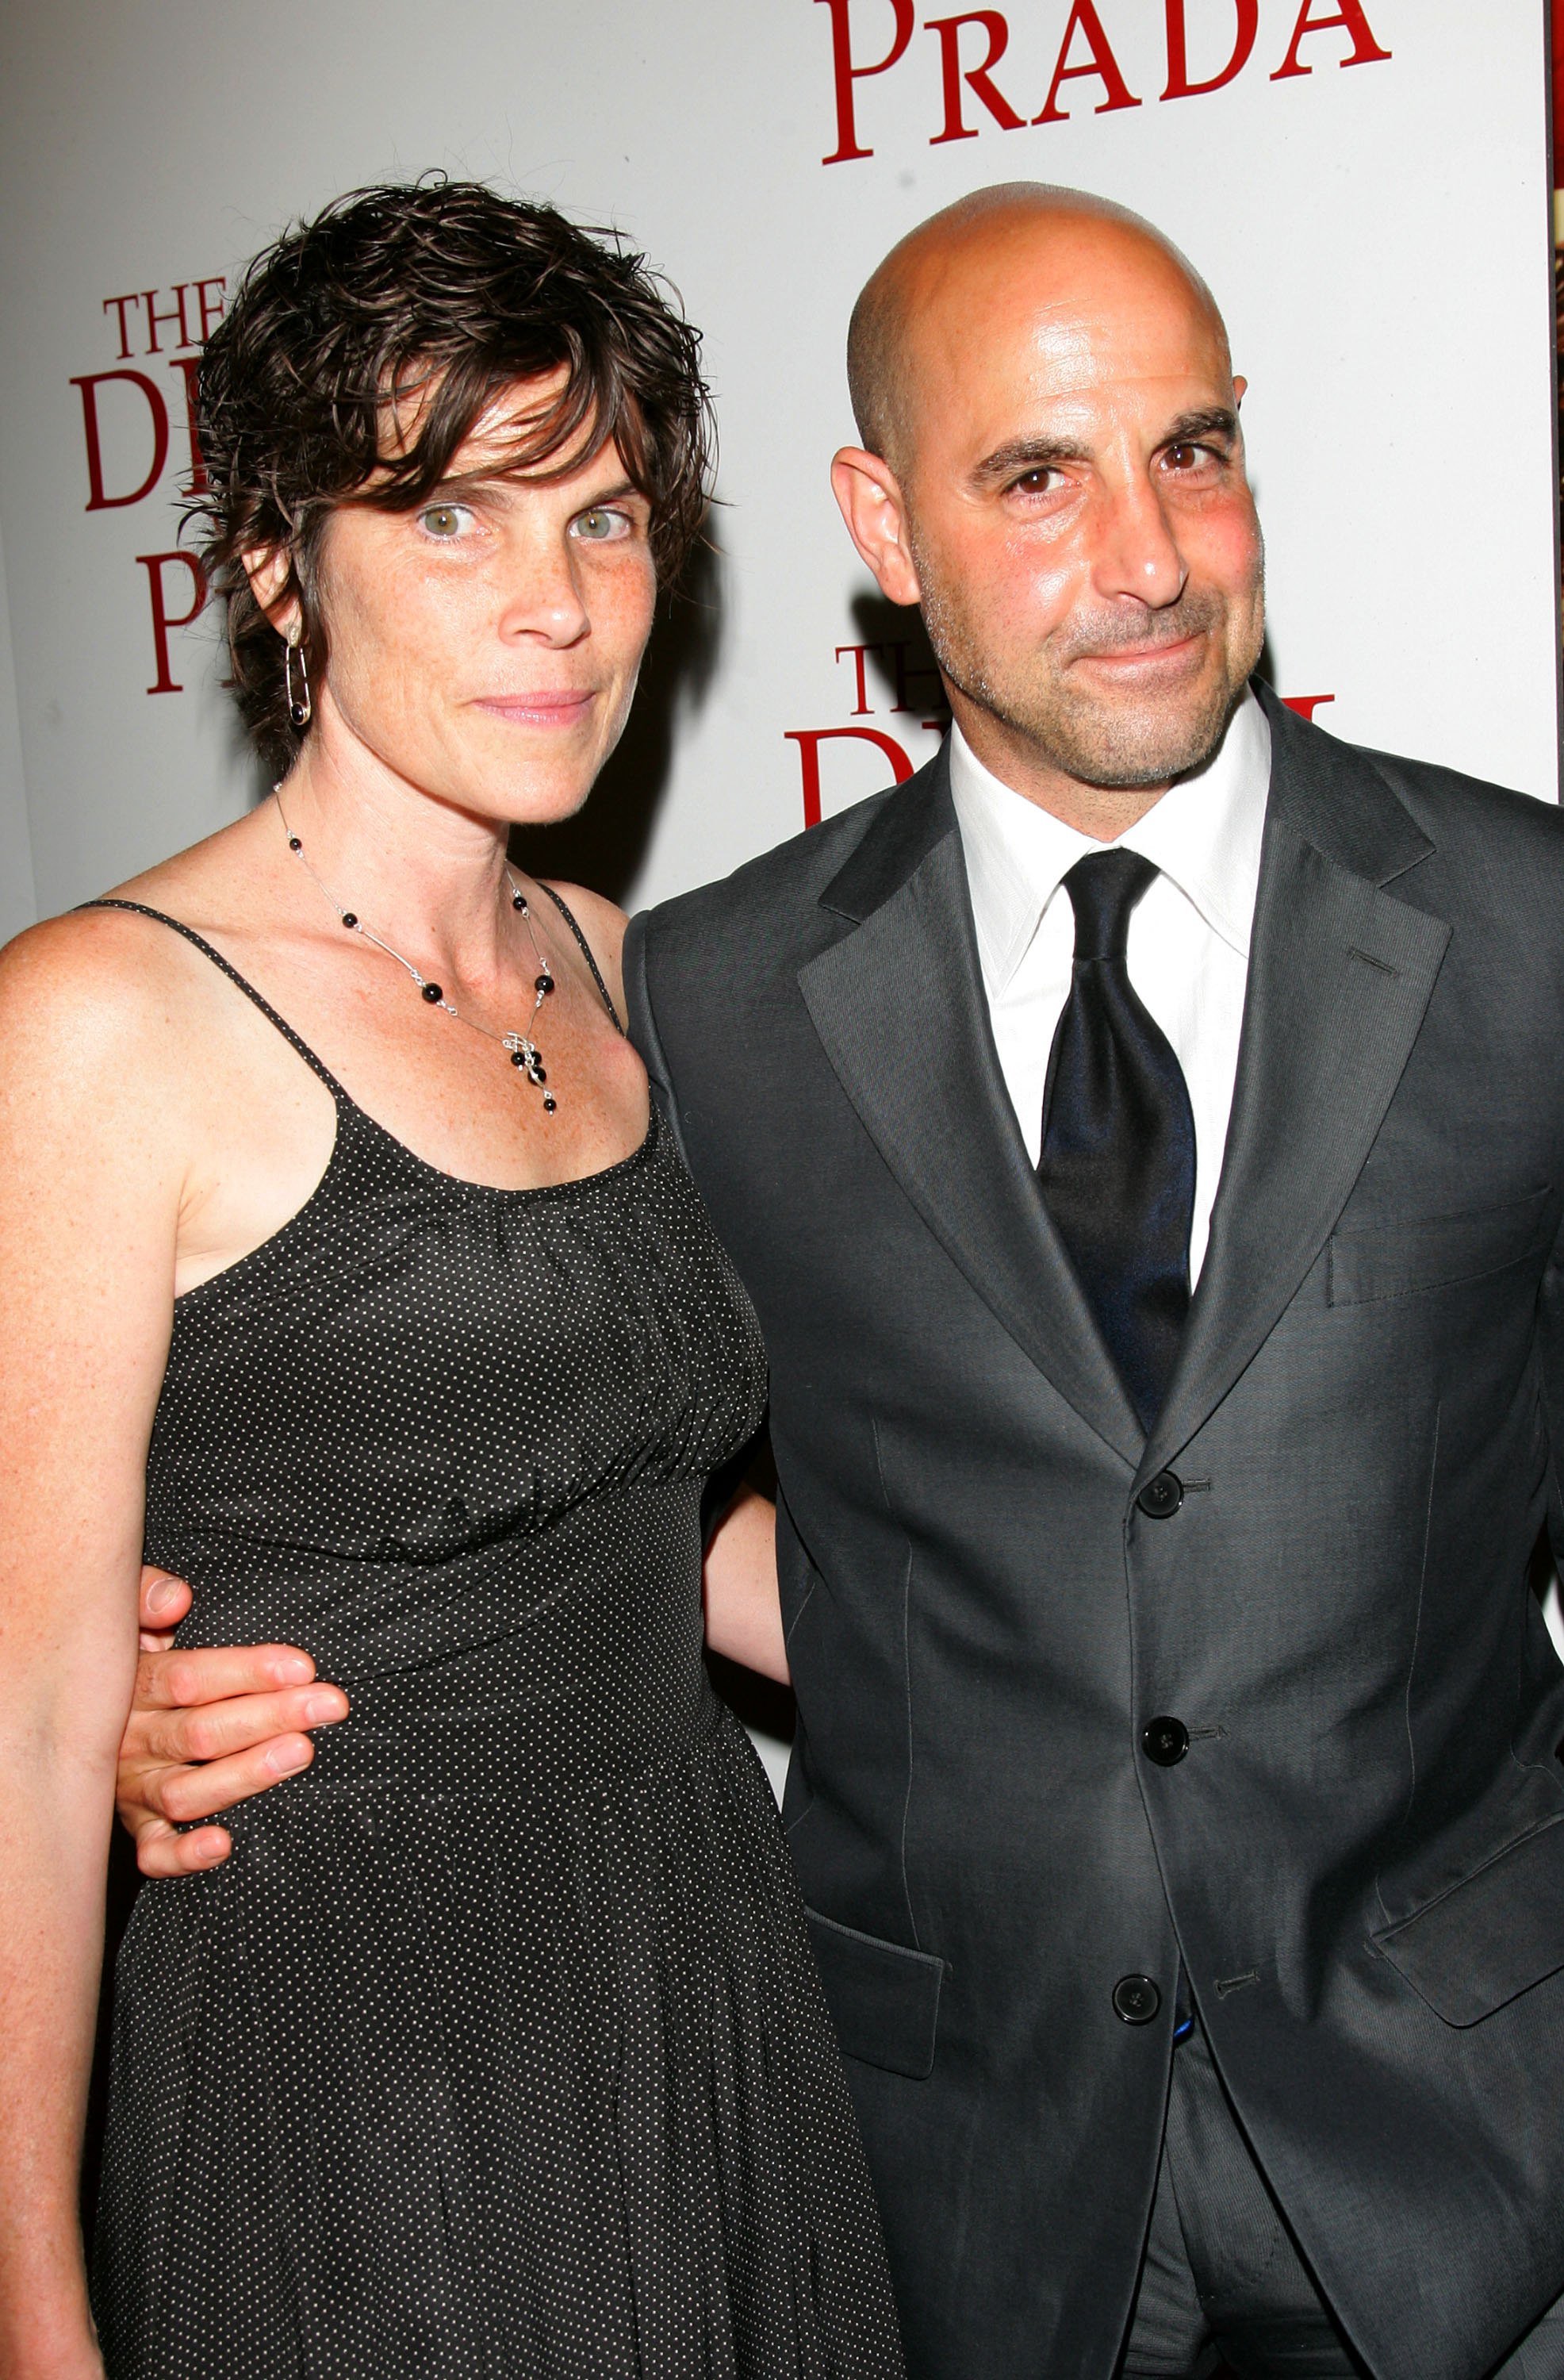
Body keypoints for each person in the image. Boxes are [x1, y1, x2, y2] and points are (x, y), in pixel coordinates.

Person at [113, 180, 1564, 2380]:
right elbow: (550, 1435)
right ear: (879, 527)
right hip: (943, 2172)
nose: (1148, 557)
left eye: (1191, 449)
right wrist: (146, 1694)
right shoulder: (703, 990)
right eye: (1034, 476)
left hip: (1474, 2149)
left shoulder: (1527, 923)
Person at [0, 179, 907, 2380]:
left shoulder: (608, 965)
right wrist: (31, 2307)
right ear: (272, 564)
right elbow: (31, 1727)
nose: (558, 612)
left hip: (692, 1977)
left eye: (602, 523)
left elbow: (653, 1535)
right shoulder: (100, 1021)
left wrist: (1159, 1656)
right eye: (453, 523)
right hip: (357, 2067)